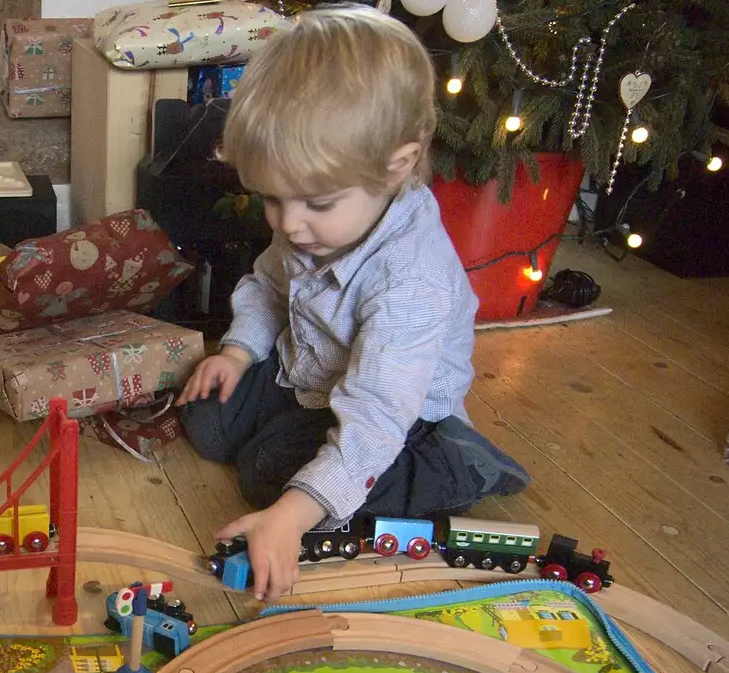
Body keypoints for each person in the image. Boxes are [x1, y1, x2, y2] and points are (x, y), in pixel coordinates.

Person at [179, 4, 529, 601]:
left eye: (315, 204)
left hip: (398, 416)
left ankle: (460, 462)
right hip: (311, 373)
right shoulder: (309, 216)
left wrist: (291, 518)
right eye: (271, 198)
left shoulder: (409, 281)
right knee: (206, 415)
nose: (288, 223)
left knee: (270, 477)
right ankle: (290, 442)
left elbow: (374, 415)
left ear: (397, 166)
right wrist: (237, 353)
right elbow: (269, 285)